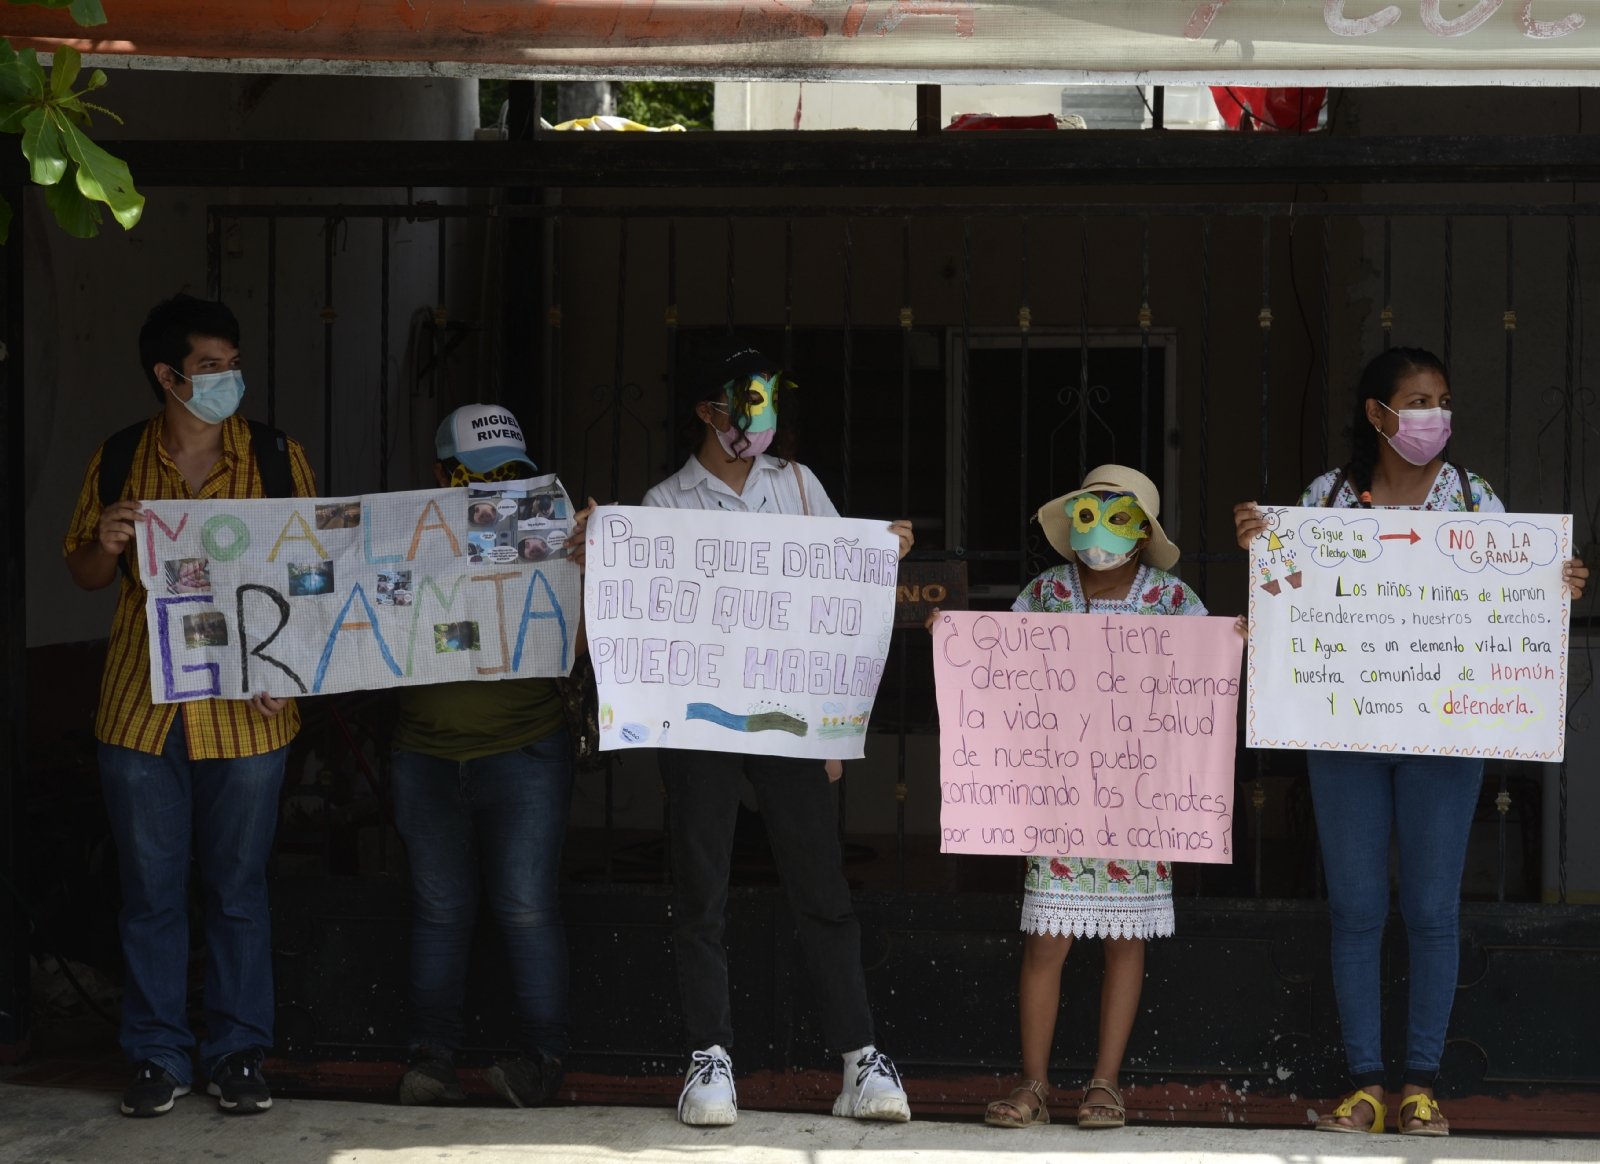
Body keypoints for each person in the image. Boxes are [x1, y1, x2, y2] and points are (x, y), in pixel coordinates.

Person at [1233, 347, 1588, 1137]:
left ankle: (1421, 1084)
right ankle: (1365, 1085)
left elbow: (1514, 594)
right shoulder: (1325, 499)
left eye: (1442, 400)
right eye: (1416, 400)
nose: (1433, 415)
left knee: (1430, 910)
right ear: (1377, 414)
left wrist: (1550, 586)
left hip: (1445, 730)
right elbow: (1289, 589)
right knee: (1357, 910)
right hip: (1344, 729)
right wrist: (1261, 541)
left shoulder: (1473, 498)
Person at [638, 339, 915, 1126]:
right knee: (702, 892)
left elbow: (836, 595)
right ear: (707, 410)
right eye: (745, 402)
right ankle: (710, 1059)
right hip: (699, 722)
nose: (760, 418)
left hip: (790, 722)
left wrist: (878, 557)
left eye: (767, 401)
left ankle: (860, 1059)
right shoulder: (664, 505)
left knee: (822, 887)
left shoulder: (797, 486)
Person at [63, 293, 317, 1117]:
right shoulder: (118, 459)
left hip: (251, 710)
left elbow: (313, 576)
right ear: (167, 376)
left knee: (239, 889)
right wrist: (103, 543)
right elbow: (85, 575)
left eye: (234, 366)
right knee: (152, 892)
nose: (228, 380)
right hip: (141, 713)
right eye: (212, 368)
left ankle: (239, 1053)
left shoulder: (278, 459)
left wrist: (297, 668)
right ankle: (158, 1055)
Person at [972, 465, 1213, 1132]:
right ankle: (1035, 1083)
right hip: (1057, 796)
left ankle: (1105, 1084)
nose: (1102, 530)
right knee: (1047, 938)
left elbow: (1203, 683)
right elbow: (999, 673)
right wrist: (954, 645)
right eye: (1091, 513)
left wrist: (1233, 645)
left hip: (1140, 796)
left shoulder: (1172, 600)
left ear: (1143, 532)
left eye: (1118, 516)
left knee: (1122, 943)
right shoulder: (1043, 593)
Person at [392, 404, 592, 1109]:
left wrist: (602, 558)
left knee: (525, 906)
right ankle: (429, 1058)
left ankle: (543, 1060)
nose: (494, 493)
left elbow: (591, 636)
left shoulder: (559, 535)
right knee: (440, 908)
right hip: (424, 755)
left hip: (524, 751)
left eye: (510, 476)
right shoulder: (401, 536)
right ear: (441, 474)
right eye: (475, 477)